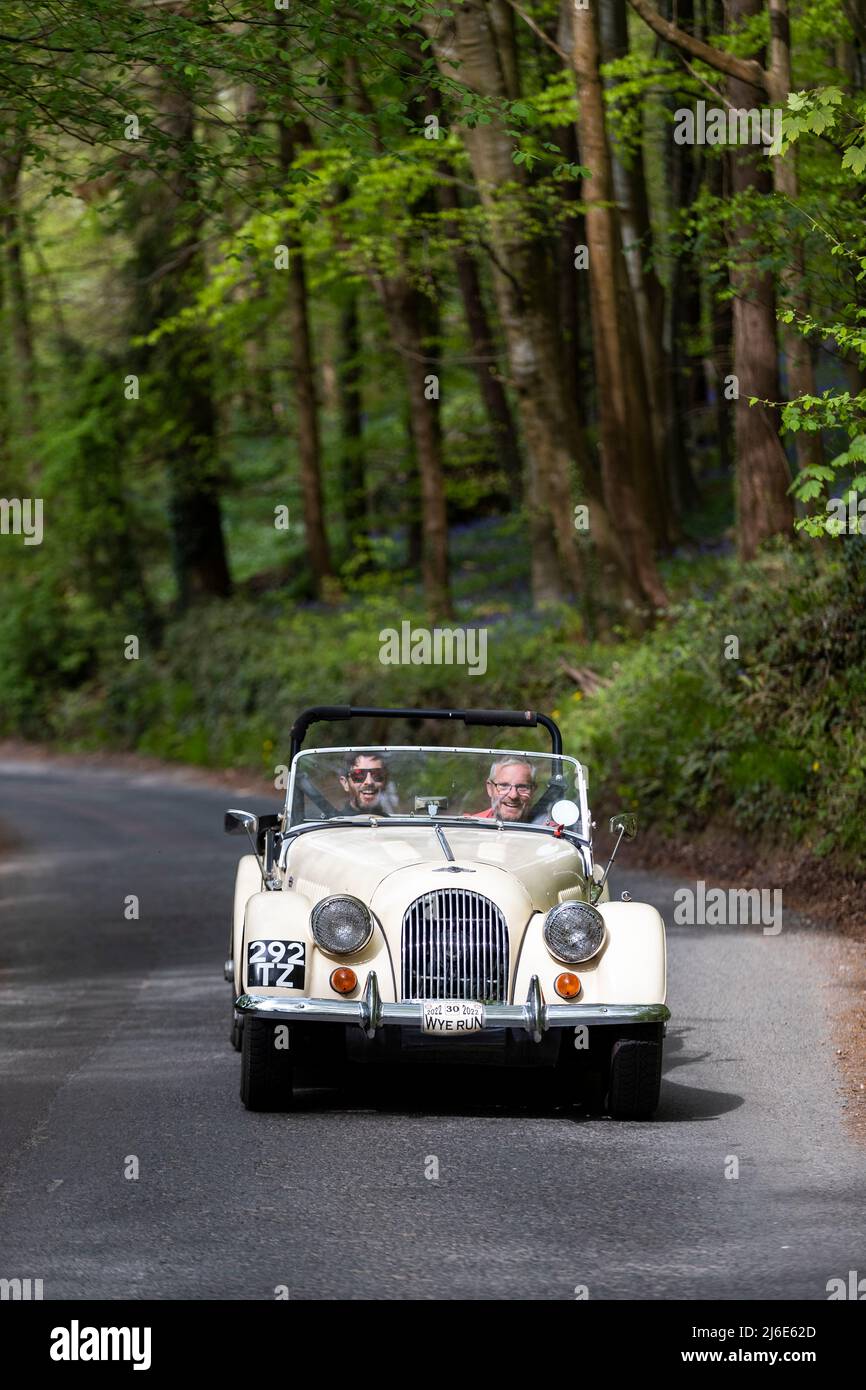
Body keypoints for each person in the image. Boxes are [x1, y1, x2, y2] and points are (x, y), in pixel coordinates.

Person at [468, 758, 536, 822]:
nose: (513, 795)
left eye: (522, 787)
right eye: (504, 785)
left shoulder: (544, 831)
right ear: (490, 788)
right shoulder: (470, 826)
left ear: (533, 791)